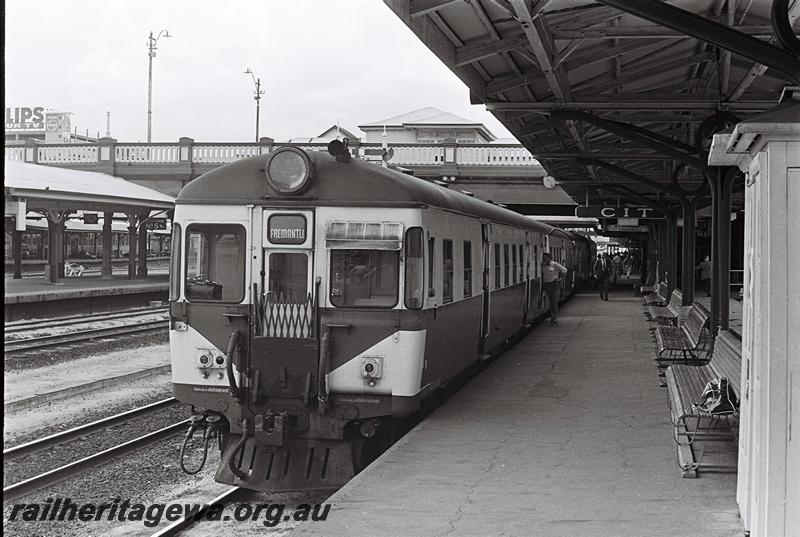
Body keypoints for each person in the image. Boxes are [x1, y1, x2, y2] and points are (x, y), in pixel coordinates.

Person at [541, 252, 567, 324]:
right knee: (548, 300)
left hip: (553, 284)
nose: (544, 259)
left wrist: (559, 278)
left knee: (553, 301)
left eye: (545, 257)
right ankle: (549, 315)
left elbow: (564, 270)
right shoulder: (543, 265)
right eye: (543, 258)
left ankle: (554, 317)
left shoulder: (554, 264)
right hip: (546, 284)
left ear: (549, 258)